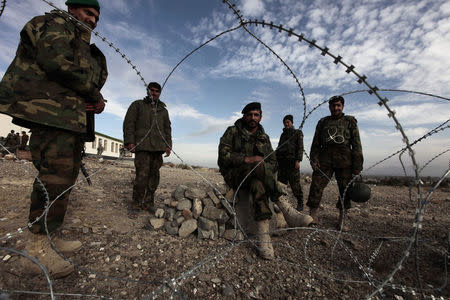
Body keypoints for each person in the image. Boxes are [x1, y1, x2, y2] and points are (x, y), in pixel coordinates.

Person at [0, 0, 107, 277]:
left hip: (67, 118)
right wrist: (93, 94)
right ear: (73, 8)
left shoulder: (80, 40)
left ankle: (48, 234)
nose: (93, 20)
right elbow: (56, 63)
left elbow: (82, 76)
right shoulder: (57, 25)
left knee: (64, 178)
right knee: (53, 178)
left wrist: (91, 97)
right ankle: (34, 250)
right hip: (49, 115)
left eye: (96, 17)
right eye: (88, 13)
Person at [218, 102, 311, 260]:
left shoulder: (264, 137)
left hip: (256, 178)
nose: (252, 118)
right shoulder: (232, 132)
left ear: (260, 117)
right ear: (244, 116)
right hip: (235, 175)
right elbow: (223, 157)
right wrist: (247, 159)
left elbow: (273, 162)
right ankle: (285, 207)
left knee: (258, 184)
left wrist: (263, 166)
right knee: (257, 164)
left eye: (256, 115)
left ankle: (264, 240)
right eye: (249, 115)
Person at [307, 95, 363, 231]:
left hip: (345, 160)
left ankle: (342, 218)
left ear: (342, 106)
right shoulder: (323, 122)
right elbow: (315, 143)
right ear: (329, 107)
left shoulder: (350, 121)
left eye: (338, 105)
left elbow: (356, 144)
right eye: (333, 105)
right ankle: (313, 215)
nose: (336, 108)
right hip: (324, 159)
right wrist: (314, 159)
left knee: (345, 190)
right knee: (316, 185)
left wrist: (357, 166)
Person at [123, 82, 172, 217]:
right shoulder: (138, 105)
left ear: (160, 93)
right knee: (141, 177)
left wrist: (168, 145)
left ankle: (149, 203)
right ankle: (136, 205)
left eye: (157, 91)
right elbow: (129, 123)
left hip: (158, 149)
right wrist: (130, 141)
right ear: (147, 90)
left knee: (154, 178)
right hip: (143, 147)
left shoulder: (163, 110)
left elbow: (167, 128)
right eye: (152, 90)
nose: (154, 93)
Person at [276, 114, 304, 211]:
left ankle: (300, 202)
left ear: (292, 122)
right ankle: (281, 204)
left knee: (295, 185)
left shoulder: (297, 133)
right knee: (281, 185)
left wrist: (298, 160)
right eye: (285, 123)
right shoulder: (283, 135)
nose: (286, 124)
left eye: (288, 122)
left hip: (292, 163)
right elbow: (279, 147)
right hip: (282, 163)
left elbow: (300, 148)